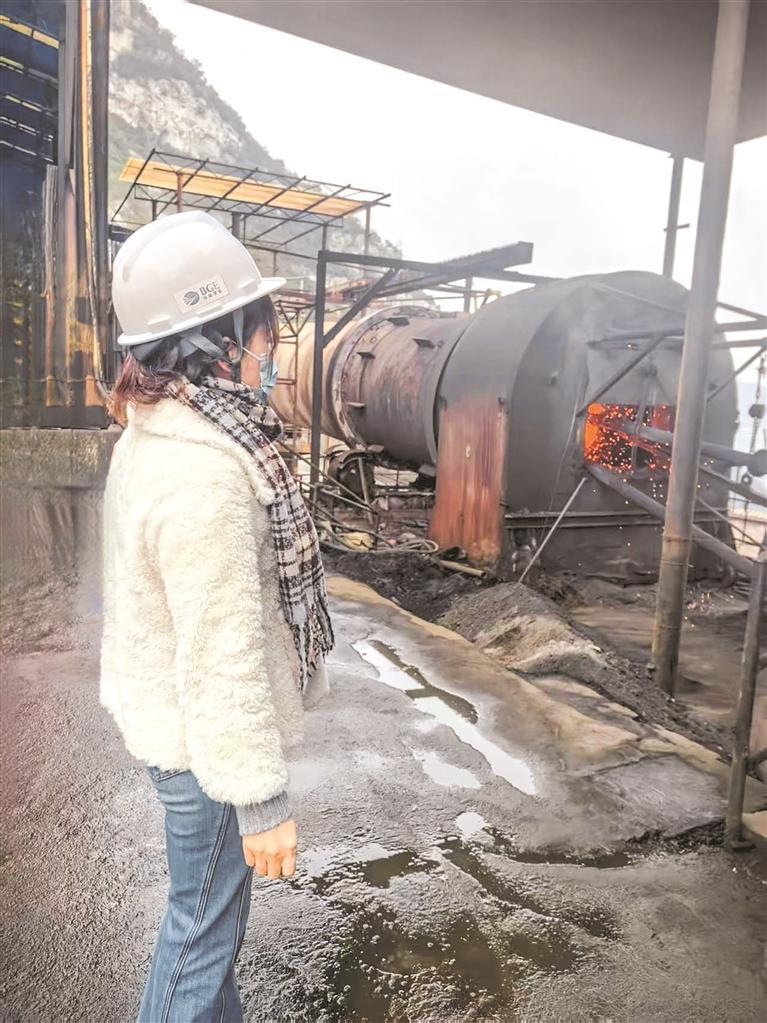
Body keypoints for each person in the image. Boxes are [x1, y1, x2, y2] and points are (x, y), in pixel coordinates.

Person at [99, 211, 334, 1023]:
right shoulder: (206, 478)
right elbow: (219, 652)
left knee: (206, 927)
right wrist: (261, 802)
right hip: (202, 749)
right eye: (265, 335)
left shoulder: (159, 433)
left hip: (173, 722)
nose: (273, 355)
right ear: (220, 342)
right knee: (199, 934)